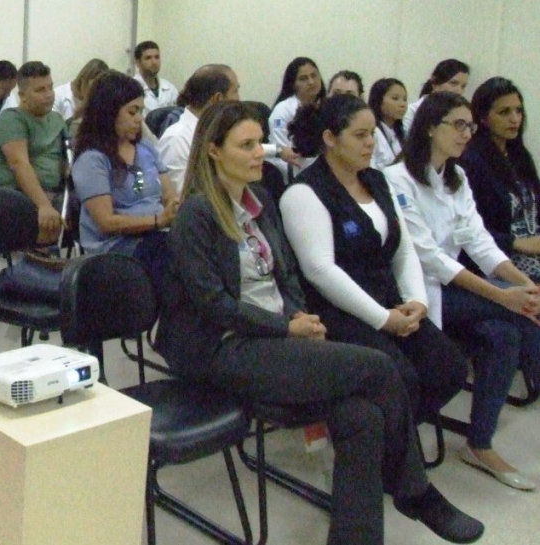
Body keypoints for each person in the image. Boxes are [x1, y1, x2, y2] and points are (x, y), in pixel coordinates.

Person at [157, 99, 484, 545]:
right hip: (224, 347)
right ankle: (415, 491)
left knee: (361, 415)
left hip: (275, 336)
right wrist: (285, 328)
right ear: (213, 151)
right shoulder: (197, 213)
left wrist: (297, 314)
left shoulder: (259, 201)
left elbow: (287, 273)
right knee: (378, 367)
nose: (260, 153)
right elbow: (214, 304)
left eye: (260, 143)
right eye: (246, 145)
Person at [384, 91, 540, 491]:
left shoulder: (456, 178)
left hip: (452, 289)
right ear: (431, 128)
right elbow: (431, 258)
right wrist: (504, 296)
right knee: (519, 315)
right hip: (415, 291)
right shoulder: (396, 178)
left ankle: (479, 444)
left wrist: (522, 284)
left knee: (504, 336)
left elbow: (480, 242)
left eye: (470, 125)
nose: (467, 133)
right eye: (459, 124)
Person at [280, 94, 465, 424]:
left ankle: (394, 439)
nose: (370, 144)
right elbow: (320, 271)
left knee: (449, 368)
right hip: (338, 312)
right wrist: (382, 319)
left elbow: (403, 249)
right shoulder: (304, 192)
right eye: (360, 135)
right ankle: (394, 457)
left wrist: (417, 301)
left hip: (389, 301)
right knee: (400, 379)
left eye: (372, 134)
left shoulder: (376, 180)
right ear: (330, 139)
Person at [71, 71, 180, 287]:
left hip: (153, 236)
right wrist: (159, 221)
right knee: (171, 257)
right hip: (114, 247)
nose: (139, 119)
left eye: (140, 110)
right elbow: (107, 223)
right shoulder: (92, 159)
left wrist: (175, 207)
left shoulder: (144, 149)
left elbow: (161, 194)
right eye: (132, 112)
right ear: (109, 113)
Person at [459, 77, 540, 283]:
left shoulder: (519, 155)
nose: (514, 119)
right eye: (504, 112)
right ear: (483, 118)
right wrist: (518, 243)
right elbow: (467, 229)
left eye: (518, 111)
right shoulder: (471, 161)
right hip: (502, 259)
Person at [0, 61, 68, 244]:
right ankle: (38, 265)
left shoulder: (56, 119)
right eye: (40, 90)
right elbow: (19, 164)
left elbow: (66, 159)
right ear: (22, 95)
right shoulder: (12, 119)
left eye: (50, 88)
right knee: (53, 218)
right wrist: (43, 204)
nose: (48, 95)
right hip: (10, 195)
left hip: (53, 192)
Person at [157, 64, 239, 194]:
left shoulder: (222, 130)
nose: (239, 99)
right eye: (235, 91)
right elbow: (180, 196)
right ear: (218, 98)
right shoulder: (177, 139)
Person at [268, 56, 325, 177]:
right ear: (293, 84)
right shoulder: (282, 111)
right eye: (303, 79)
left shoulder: (327, 106)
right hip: (290, 172)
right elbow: (282, 151)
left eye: (314, 75)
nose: (311, 82)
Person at [403, 59, 469, 132]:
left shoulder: (459, 114)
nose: (459, 91)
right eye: (453, 83)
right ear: (434, 83)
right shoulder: (411, 111)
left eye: (463, 86)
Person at [368, 78, 408, 169]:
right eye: (395, 98)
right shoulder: (372, 133)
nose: (402, 104)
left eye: (405, 99)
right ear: (379, 101)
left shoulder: (401, 134)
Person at [132, 41, 177, 115]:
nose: (154, 62)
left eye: (157, 57)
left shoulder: (170, 88)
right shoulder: (131, 89)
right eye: (148, 58)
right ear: (137, 62)